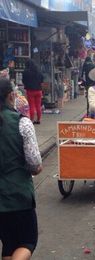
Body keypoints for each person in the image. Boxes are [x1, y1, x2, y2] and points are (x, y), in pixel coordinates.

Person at [0, 78, 42, 260]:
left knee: (9, 246)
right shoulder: (21, 123)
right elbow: (35, 164)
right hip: (17, 196)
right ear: (11, 96)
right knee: (27, 242)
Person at [22, 60, 44, 124]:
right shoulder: (39, 72)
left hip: (30, 91)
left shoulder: (25, 72)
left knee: (31, 106)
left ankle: (31, 120)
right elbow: (42, 82)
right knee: (38, 106)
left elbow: (23, 81)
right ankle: (38, 120)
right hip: (39, 91)